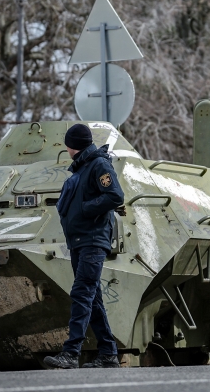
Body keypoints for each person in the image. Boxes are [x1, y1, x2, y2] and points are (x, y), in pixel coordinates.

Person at [42, 123, 125, 369]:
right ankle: (109, 354)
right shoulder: (82, 168)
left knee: (82, 293)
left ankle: (71, 354)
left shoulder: (99, 165)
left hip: (92, 241)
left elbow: (115, 196)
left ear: (71, 146)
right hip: (79, 242)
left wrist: (85, 210)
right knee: (93, 297)